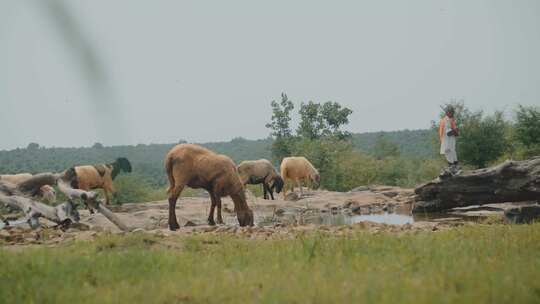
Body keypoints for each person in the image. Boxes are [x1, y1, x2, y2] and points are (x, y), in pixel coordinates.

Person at [439, 105, 460, 175]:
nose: (452, 113)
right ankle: (454, 171)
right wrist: (455, 130)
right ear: (447, 112)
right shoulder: (446, 120)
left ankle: (455, 170)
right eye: (451, 112)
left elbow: (456, 134)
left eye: (453, 112)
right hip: (447, 143)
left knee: (453, 156)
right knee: (450, 157)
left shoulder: (451, 120)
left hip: (451, 143)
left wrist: (455, 131)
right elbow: (449, 133)